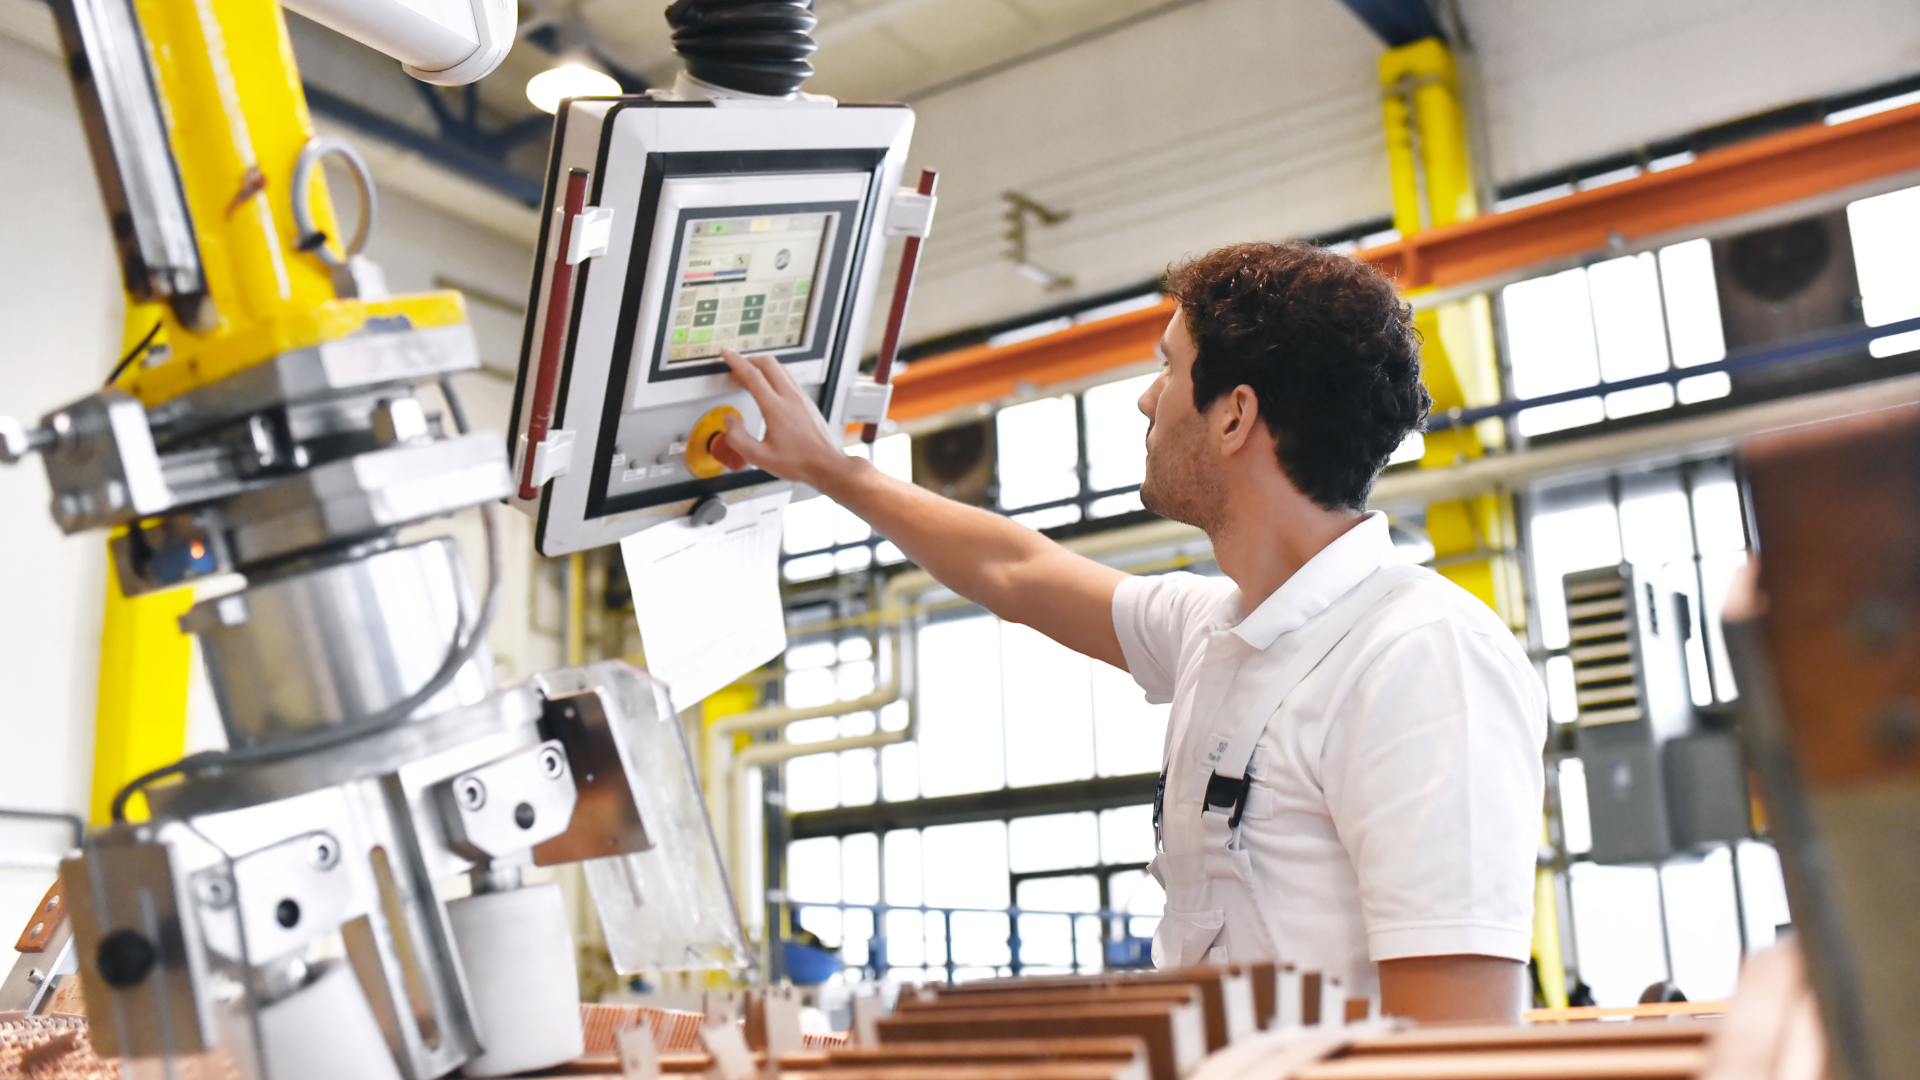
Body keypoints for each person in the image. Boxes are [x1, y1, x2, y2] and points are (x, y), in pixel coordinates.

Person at [713, 241, 1546, 1023]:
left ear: (1234, 417)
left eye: (1168, 369)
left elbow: (1457, 1035)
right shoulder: (1219, 630)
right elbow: (1017, 573)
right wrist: (831, 469)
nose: (1146, 399)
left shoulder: (1418, 656)